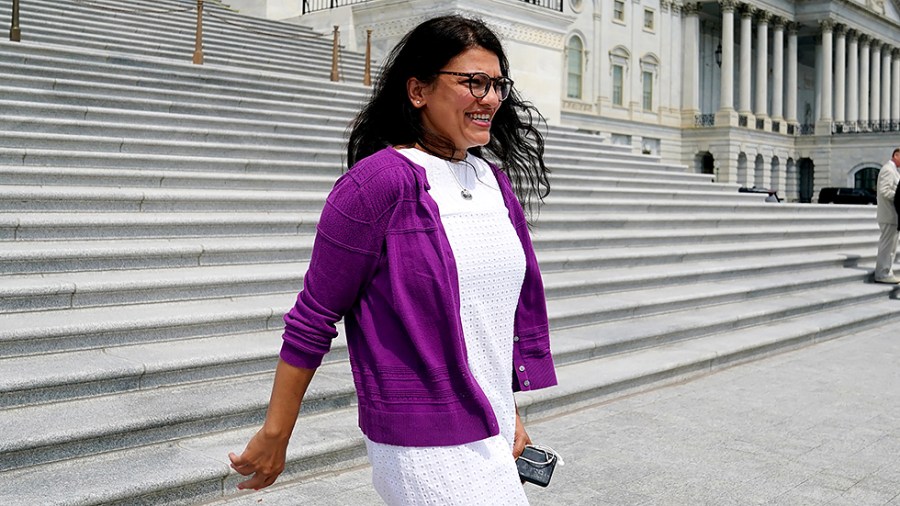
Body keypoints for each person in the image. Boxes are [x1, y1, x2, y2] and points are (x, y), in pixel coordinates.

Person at [228, 15, 557, 504]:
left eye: (497, 84)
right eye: (473, 82)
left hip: (489, 428)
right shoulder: (376, 185)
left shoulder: (495, 183)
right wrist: (276, 435)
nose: (489, 98)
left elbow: (485, 321)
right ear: (418, 91)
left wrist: (507, 411)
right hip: (420, 440)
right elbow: (313, 317)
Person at [874, 148, 900, 284]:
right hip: (888, 214)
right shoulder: (888, 170)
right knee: (887, 246)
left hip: (893, 215)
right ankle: (882, 273)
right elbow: (885, 191)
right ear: (896, 155)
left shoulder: (894, 170)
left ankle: (887, 271)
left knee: (891, 247)